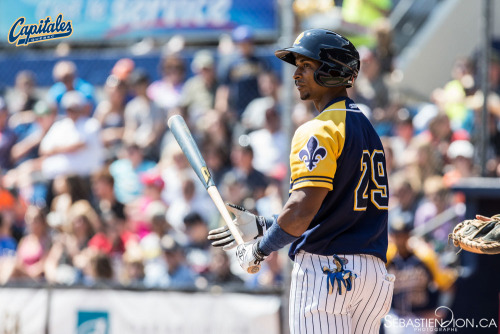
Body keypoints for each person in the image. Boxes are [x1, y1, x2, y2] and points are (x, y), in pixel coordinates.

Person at [209, 29, 394, 333]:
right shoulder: (366, 127)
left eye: (306, 66)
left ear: (333, 70)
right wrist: (263, 225)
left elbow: (301, 211)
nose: (296, 75)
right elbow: (334, 210)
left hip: (326, 273)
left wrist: (260, 250)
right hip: (372, 275)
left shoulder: (317, 129)